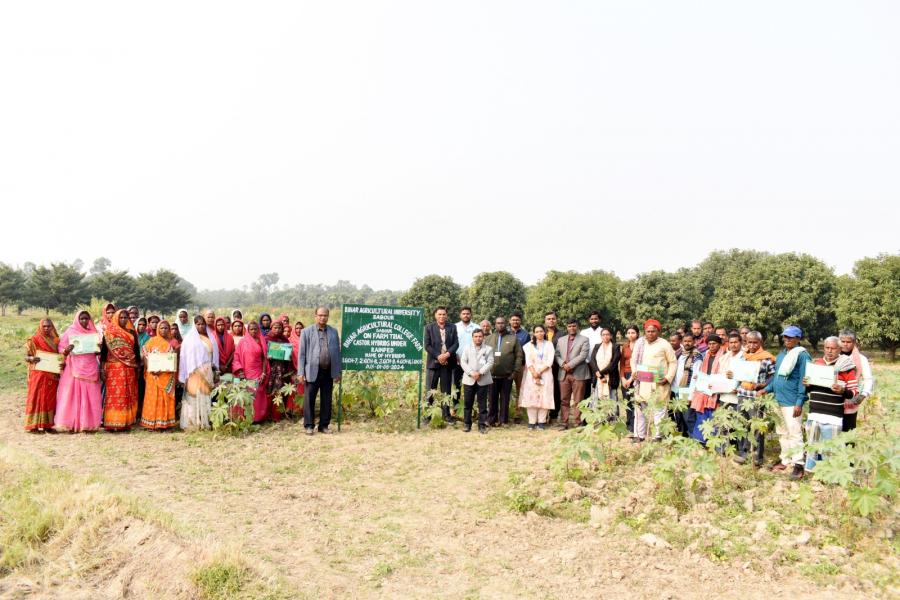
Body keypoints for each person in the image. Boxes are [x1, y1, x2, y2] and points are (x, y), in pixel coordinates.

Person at [803, 336, 858, 474]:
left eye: (833, 348)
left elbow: (853, 392)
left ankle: (829, 474)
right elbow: (809, 389)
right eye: (827, 348)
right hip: (815, 412)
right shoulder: (817, 364)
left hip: (833, 414)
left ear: (840, 349)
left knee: (830, 447)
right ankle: (812, 472)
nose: (830, 351)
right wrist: (807, 384)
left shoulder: (847, 367)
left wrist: (843, 390)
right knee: (813, 444)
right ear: (824, 348)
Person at [764, 325, 811, 480]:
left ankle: (798, 463)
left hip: (792, 401)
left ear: (798, 339)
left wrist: (799, 402)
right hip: (778, 399)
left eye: (790, 337)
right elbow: (776, 377)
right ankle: (785, 459)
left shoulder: (802, 355)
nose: (787, 339)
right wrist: (767, 389)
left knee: (795, 432)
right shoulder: (782, 354)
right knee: (782, 431)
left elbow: (804, 380)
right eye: (785, 336)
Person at [55, 311, 103, 432]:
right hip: (74, 368)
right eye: (82, 319)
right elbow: (61, 349)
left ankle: (88, 424)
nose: (84, 321)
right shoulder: (70, 331)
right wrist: (66, 350)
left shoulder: (93, 332)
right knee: (73, 395)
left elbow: (98, 352)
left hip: (90, 367)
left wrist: (98, 349)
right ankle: (72, 423)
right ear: (77, 319)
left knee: (91, 395)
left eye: (86, 318)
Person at [733, 331, 776, 466]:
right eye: (749, 342)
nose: (751, 345)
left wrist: (764, 385)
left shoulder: (766, 358)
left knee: (757, 426)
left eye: (755, 342)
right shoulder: (743, 357)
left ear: (760, 343)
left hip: (756, 396)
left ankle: (757, 457)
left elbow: (773, 376)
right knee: (742, 424)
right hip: (742, 394)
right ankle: (744, 452)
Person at [631, 319, 677, 442]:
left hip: (659, 382)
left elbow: (673, 362)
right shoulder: (640, 344)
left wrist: (667, 378)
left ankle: (658, 436)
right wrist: (634, 371)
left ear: (658, 332)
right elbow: (633, 360)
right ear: (645, 331)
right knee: (640, 409)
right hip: (642, 382)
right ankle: (639, 435)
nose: (650, 333)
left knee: (659, 409)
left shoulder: (664, 344)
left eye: (653, 331)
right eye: (648, 331)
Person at [298, 306, 342, 434]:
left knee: (326, 399)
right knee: (309, 399)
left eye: (325, 315)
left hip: (328, 371)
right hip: (312, 371)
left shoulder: (333, 332)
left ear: (328, 317)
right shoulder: (306, 332)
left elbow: (337, 353)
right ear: (315, 316)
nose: (323, 317)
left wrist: (338, 371)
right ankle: (309, 425)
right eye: (320, 315)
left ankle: (323, 426)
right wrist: (301, 372)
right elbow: (302, 354)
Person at [101, 308, 141, 431]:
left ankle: (126, 422)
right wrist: (102, 369)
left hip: (129, 368)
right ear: (116, 318)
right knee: (115, 396)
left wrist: (138, 367)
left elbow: (136, 351)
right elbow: (104, 353)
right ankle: (113, 422)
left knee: (127, 394)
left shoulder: (132, 333)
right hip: (113, 369)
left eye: (125, 318)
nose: (123, 320)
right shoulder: (109, 333)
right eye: (121, 317)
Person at [178, 315, 219, 430]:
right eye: (198, 324)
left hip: (207, 371)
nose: (200, 326)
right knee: (193, 395)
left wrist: (214, 368)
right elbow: (184, 357)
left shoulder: (210, 338)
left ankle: (205, 421)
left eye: (202, 324)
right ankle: (192, 423)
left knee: (205, 395)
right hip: (194, 373)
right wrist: (185, 374)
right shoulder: (189, 339)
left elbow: (214, 355)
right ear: (194, 325)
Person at [484, 316, 524, 426]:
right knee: (492, 399)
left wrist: (515, 371)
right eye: (498, 323)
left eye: (502, 323)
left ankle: (504, 420)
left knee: (505, 399)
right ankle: (491, 420)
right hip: (492, 375)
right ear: (495, 324)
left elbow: (519, 356)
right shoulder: (489, 338)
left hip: (507, 375)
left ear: (506, 324)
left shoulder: (513, 338)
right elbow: (483, 355)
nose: (500, 325)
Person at [24, 318, 62, 432]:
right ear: (40, 327)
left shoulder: (56, 340)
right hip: (38, 374)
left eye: (49, 326)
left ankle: (48, 426)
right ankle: (33, 425)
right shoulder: (34, 339)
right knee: (36, 398)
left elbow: (60, 356)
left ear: (52, 327)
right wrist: (32, 358)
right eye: (44, 326)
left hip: (52, 375)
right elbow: (26, 356)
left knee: (50, 399)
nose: (46, 328)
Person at [423, 307, 459, 423]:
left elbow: (456, 343)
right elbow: (427, 345)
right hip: (433, 364)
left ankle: (446, 415)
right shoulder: (429, 328)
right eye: (439, 314)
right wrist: (438, 356)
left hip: (447, 363)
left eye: (444, 314)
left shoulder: (452, 327)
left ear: (446, 315)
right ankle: (428, 415)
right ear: (435, 315)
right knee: (430, 390)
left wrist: (447, 354)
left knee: (446, 390)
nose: (442, 316)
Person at [141, 320, 178, 430]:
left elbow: (172, 361)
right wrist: (150, 368)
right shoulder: (152, 341)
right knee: (152, 398)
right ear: (158, 329)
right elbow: (144, 355)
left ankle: (164, 423)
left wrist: (161, 370)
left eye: (166, 328)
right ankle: (151, 423)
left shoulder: (171, 343)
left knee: (164, 398)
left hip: (166, 375)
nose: (164, 330)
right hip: (153, 375)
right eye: (161, 328)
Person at [554, 318, 590, 430]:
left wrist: (569, 365)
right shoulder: (561, 340)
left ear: (577, 327)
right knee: (564, 400)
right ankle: (564, 423)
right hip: (563, 374)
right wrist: (562, 364)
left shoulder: (584, 339)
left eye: (574, 326)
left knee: (578, 400)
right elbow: (557, 355)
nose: (572, 328)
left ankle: (578, 423)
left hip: (578, 373)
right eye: (569, 326)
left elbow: (583, 355)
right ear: (567, 327)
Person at [519, 325, 555, 429]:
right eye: (537, 331)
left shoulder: (549, 344)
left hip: (546, 373)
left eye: (541, 331)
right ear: (534, 333)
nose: (539, 333)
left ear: (544, 332)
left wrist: (540, 372)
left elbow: (550, 360)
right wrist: (534, 373)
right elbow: (528, 361)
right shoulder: (529, 345)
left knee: (544, 396)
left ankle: (541, 422)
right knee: (532, 397)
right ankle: (532, 422)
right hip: (531, 374)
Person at [713, 332, 745, 451]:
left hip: (738, 396)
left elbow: (749, 375)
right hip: (724, 395)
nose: (733, 345)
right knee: (723, 422)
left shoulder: (745, 357)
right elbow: (720, 375)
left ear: (741, 343)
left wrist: (736, 377)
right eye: (731, 342)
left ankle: (740, 451)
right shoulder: (725, 357)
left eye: (736, 342)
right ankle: (723, 449)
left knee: (738, 424)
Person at [232, 321, 269, 423]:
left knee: (258, 393)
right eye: (251, 329)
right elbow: (236, 356)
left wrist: (264, 373)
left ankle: (257, 418)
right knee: (246, 393)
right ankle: (245, 417)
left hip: (258, 371)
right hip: (245, 372)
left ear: (258, 329)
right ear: (248, 330)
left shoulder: (261, 340)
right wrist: (240, 371)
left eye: (255, 329)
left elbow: (264, 358)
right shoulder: (243, 342)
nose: (253, 331)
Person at [689, 334, 723, 443]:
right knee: (702, 415)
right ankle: (700, 440)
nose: (712, 346)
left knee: (713, 417)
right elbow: (700, 371)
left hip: (717, 391)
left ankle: (712, 441)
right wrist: (698, 377)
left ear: (719, 344)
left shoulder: (724, 356)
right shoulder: (705, 355)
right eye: (710, 344)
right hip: (703, 391)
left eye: (714, 344)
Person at [838, 329, 874, 432]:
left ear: (854, 342)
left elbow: (868, 379)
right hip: (833, 399)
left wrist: (863, 394)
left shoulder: (861, 359)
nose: (845, 344)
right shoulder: (834, 355)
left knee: (848, 431)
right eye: (843, 341)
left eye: (848, 342)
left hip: (851, 399)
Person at [460, 329, 494, 433]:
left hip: (482, 379)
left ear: (483, 337)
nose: (478, 338)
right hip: (469, 379)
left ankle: (482, 425)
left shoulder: (488, 349)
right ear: (472, 337)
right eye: (476, 336)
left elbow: (490, 362)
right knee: (467, 403)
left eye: (480, 336)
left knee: (482, 404)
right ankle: (467, 424)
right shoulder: (467, 348)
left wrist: (480, 373)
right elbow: (463, 362)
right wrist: (472, 373)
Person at [671, 333, 702, 437]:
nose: (687, 343)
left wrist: (690, 395)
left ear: (694, 342)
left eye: (689, 341)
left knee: (688, 416)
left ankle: (694, 438)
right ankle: (682, 437)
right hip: (676, 389)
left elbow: (695, 377)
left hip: (686, 390)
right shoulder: (679, 354)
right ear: (682, 342)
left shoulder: (696, 356)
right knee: (678, 415)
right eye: (685, 341)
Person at [266, 320, 297, 421]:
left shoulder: (285, 340)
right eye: (275, 328)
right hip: (272, 369)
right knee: (272, 390)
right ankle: (270, 414)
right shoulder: (267, 339)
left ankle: (280, 413)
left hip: (283, 369)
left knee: (282, 390)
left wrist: (289, 356)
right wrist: (267, 356)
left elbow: (289, 354)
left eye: (279, 328)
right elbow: (262, 353)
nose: (277, 330)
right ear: (271, 328)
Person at [588, 328, 621, 407]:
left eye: (607, 334)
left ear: (611, 336)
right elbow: (592, 361)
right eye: (603, 335)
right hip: (598, 379)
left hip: (611, 378)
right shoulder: (597, 346)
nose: (605, 336)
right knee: (597, 401)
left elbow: (613, 364)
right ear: (601, 336)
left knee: (612, 401)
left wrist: (600, 373)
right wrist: (600, 376)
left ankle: (612, 415)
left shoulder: (615, 347)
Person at [454, 307, 480, 401]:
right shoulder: (455, 327)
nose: (466, 315)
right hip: (457, 360)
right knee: (456, 385)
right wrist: (455, 356)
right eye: (464, 313)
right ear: (460, 315)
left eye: (468, 313)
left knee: (471, 385)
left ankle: (470, 406)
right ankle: (456, 406)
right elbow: (451, 343)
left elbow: (480, 344)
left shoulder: (477, 327)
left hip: (472, 362)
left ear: (471, 315)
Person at [580, 311, 603, 405]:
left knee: (598, 386)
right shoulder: (584, 332)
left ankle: (597, 407)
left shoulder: (603, 331)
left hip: (600, 365)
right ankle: (586, 408)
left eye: (596, 319)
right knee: (586, 387)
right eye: (592, 319)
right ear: (589, 320)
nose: (594, 321)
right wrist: (587, 361)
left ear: (599, 320)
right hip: (586, 364)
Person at [619, 325, 639, 433]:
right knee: (627, 400)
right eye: (629, 333)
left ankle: (636, 424)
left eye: (633, 332)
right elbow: (622, 364)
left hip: (636, 375)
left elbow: (640, 363)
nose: (631, 335)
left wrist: (631, 379)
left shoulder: (641, 346)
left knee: (635, 400)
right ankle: (629, 424)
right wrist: (622, 378)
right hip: (625, 375)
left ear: (637, 334)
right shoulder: (625, 346)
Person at [544, 311, 563, 421]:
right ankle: (543, 413)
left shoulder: (562, 334)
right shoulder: (541, 332)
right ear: (545, 321)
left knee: (556, 390)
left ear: (556, 320)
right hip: (543, 367)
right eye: (549, 319)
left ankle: (554, 414)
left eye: (553, 318)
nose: (551, 320)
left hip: (556, 367)